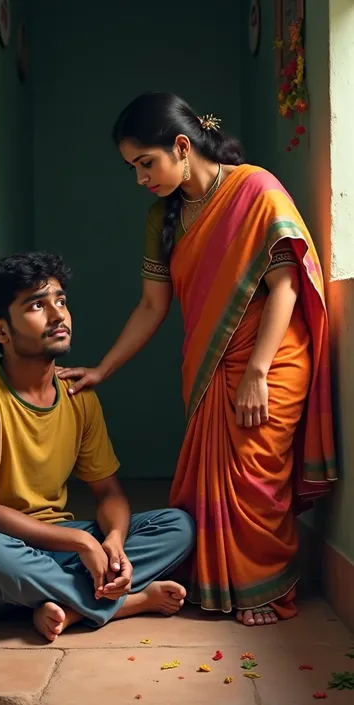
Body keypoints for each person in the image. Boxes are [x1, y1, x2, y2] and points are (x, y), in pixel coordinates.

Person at [57, 92, 337, 627]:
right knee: (209, 487)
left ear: (182, 146)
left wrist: (255, 371)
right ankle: (217, 586)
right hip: (210, 367)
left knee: (256, 478)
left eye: (147, 163)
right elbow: (151, 305)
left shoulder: (256, 189)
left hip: (271, 359)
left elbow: (286, 288)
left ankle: (264, 589)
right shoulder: (162, 215)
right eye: (132, 168)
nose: (141, 178)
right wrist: (102, 369)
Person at [0, 252, 195, 642]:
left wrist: (113, 542)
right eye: (37, 305)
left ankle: (66, 606)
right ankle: (125, 604)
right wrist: (82, 541)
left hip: (53, 545)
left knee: (178, 526)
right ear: (0, 331)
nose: (58, 315)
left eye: (61, 301)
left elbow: (110, 493)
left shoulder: (78, 397)